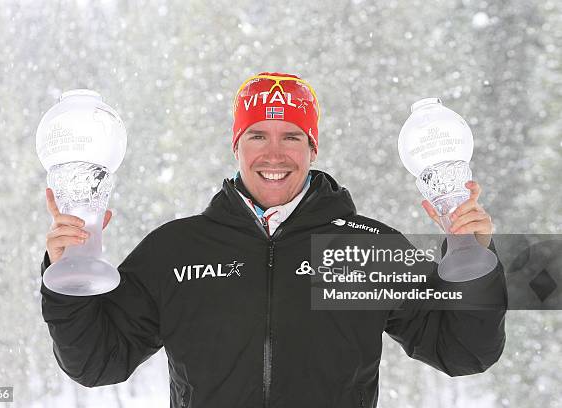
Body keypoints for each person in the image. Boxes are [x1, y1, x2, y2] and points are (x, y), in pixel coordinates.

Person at [41, 72, 507, 408]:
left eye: (292, 137)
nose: (274, 153)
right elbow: (98, 361)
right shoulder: (176, 250)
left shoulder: (366, 250)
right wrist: (67, 277)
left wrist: (474, 261)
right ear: (236, 147)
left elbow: (463, 350)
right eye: (258, 135)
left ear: (312, 148)